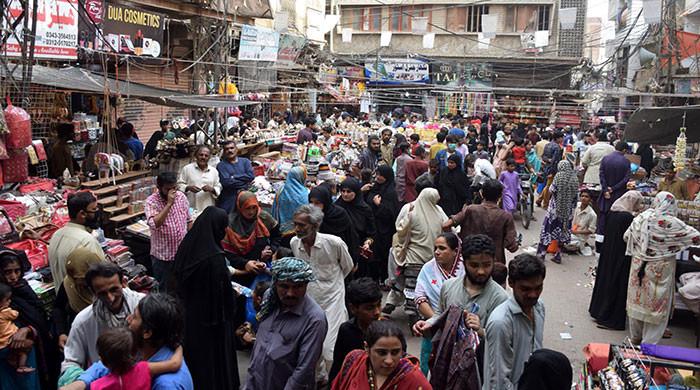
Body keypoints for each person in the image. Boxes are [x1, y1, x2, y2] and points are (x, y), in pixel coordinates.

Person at [171, 206, 247, 389]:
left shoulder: (188, 245)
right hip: (213, 323)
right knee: (214, 365)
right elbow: (223, 300)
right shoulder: (214, 258)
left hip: (190, 317)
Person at [64, 293, 194, 390]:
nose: (128, 319)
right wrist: (81, 382)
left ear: (147, 332)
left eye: (135, 317)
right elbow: (107, 366)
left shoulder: (165, 385)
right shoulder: (146, 351)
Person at [625, 192, 700, 344]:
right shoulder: (673, 223)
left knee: (637, 301)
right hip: (660, 270)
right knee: (657, 306)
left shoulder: (642, 218)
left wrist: (643, 247)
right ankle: (649, 345)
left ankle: (635, 338)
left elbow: (627, 236)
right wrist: (669, 246)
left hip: (638, 266)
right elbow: (695, 236)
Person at [290, 205, 354, 383]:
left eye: (302, 225)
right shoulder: (294, 243)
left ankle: (338, 381)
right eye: (295, 224)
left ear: (315, 225)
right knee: (311, 346)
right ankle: (320, 379)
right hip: (309, 301)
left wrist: (333, 284)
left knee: (330, 348)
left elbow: (347, 267)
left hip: (333, 299)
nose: (297, 229)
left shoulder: (334, 243)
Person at [246, 257, 328, 389]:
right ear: (275, 283)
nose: (290, 293)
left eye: (297, 287)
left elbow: (304, 370)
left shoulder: (315, 319)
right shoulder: (270, 299)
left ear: (306, 285)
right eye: (284, 286)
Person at [60, 263, 144, 381]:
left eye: (114, 290)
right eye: (102, 293)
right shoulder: (83, 321)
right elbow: (71, 363)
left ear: (123, 283)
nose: (110, 298)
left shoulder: (142, 306)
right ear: (93, 292)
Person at [483, 253, 546, 389]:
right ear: (511, 283)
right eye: (525, 289)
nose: (533, 295)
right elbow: (499, 380)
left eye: (538, 288)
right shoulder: (501, 322)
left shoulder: (539, 307)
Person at [384, 188, 449, 315]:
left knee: (408, 282)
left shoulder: (410, 211)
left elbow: (400, 229)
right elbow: (448, 227)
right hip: (433, 257)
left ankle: (397, 304)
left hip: (413, 257)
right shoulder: (439, 211)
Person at [0, 250, 57, 389]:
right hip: (9, 355)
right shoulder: (2, 296)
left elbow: (39, 313)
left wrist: (28, 329)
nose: (13, 277)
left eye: (17, 271)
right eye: (8, 272)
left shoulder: (23, 288)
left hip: (35, 348)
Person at [589, 191, 644, 330]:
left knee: (605, 281)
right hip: (621, 256)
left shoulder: (613, 212)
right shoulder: (627, 218)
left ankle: (598, 312)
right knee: (617, 285)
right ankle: (612, 318)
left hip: (608, 255)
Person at [412, 233, 465, 374]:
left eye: (442, 248)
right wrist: (438, 320)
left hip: (461, 329)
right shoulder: (428, 269)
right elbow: (419, 298)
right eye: (435, 248)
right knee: (428, 368)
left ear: (455, 251)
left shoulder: (465, 269)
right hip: (433, 326)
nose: (437, 252)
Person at [332, 320, 431, 390]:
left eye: (395, 352)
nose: (389, 360)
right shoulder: (354, 361)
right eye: (382, 353)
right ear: (367, 348)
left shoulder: (414, 380)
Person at [443, 179, 518, 264]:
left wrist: (456, 244)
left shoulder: (470, 209)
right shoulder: (506, 217)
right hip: (493, 263)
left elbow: (446, 225)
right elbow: (512, 247)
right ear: (500, 195)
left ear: (481, 193)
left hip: (469, 260)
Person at [86, 327, 182, 390]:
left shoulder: (98, 386)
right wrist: (179, 347)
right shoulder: (144, 369)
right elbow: (174, 364)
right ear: (135, 352)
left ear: (104, 361)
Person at [49, 191, 106, 292]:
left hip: (62, 298)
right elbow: (102, 276)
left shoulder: (56, 234)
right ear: (82, 214)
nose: (97, 212)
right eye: (94, 209)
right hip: (81, 302)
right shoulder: (86, 241)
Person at [329, 278, 382, 382]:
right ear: (353, 308)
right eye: (369, 308)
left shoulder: (389, 332)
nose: (377, 312)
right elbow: (338, 367)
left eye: (379, 305)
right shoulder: (346, 331)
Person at [222, 191, 280, 287]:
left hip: (262, 267)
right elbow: (229, 252)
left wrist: (271, 250)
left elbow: (277, 236)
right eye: (247, 208)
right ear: (240, 208)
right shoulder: (230, 223)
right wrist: (246, 263)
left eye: (254, 207)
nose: (251, 212)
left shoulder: (264, 218)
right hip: (239, 270)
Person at [52, 248, 103, 354]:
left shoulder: (108, 284)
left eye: (82, 278)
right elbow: (58, 307)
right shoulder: (69, 285)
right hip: (83, 339)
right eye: (75, 278)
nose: (78, 282)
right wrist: (61, 333)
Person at [145, 172, 191, 289]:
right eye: (168, 189)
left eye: (174, 188)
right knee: (164, 288)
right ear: (159, 188)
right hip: (163, 257)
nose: (172, 192)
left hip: (181, 254)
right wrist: (169, 204)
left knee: (180, 287)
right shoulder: (151, 201)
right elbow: (155, 223)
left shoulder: (181, 197)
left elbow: (188, 220)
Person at [537, 161, 579, 264]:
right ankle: (558, 255)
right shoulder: (574, 178)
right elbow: (576, 196)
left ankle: (541, 254)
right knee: (562, 231)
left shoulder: (558, 176)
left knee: (547, 230)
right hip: (567, 212)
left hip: (555, 210)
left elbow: (552, 190)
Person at [365, 165, 401, 284]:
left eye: (381, 175)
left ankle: (384, 279)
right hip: (373, 227)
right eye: (377, 174)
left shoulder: (391, 193)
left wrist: (379, 205)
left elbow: (391, 214)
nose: (378, 177)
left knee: (383, 254)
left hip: (385, 230)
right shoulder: (374, 188)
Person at [335, 178, 376, 277]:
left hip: (357, 252)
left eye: (349, 192)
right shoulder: (336, 208)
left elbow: (371, 231)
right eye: (343, 191)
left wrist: (368, 242)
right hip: (339, 251)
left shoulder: (365, 209)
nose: (345, 194)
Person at [309, 186, 356, 255]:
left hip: (339, 256)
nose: (313, 206)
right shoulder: (310, 216)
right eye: (311, 202)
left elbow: (350, 238)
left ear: (325, 202)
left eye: (317, 203)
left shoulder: (339, 215)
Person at [598, 141, 632, 238]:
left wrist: (605, 189)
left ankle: (599, 242)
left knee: (603, 217)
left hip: (606, 195)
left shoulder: (605, 159)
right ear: (624, 150)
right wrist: (613, 188)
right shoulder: (626, 162)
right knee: (614, 217)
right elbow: (626, 179)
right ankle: (611, 238)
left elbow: (601, 175)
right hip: (618, 194)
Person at [0, 282, 34, 373]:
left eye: (17, 271)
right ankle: (21, 366)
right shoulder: (6, 312)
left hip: (4, 344)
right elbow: (16, 314)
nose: (13, 277)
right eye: (7, 300)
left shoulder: (24, 291)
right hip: (10, 341)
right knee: (28, 345)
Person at [177, 145, 221, 211]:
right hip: (191, 206)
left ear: (209, 157)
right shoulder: (187, 169)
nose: (203, 157)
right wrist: (188, 187)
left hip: (208, 207)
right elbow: (179, 185)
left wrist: (212, 189)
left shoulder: (213, 171)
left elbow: (218, 186)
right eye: (201, 155)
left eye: (206, 155)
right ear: (196, 156)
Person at [216, 141, 255, 213]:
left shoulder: (245, 161)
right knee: (229, 220)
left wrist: (234, 176)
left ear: (236, 149)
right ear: (224, 152)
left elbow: (251, 176)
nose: (229, 150)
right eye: (227, 149)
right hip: (229, 199)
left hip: (244, 197)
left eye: (232, 148)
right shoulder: (221, 165)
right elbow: (226, 183)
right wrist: (245, 183)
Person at [272, 166, 309, 239]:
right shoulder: (306, 193)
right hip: (301, 233)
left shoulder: (281, 190)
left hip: (282, 232)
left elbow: (275, 209)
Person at [566, 189, 598, 256]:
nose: (583, 198)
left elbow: (591, 231)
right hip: (571, 233)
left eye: (586, 197)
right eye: (582, 196)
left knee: (569, 243)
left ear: (590, 199)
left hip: (579, 238)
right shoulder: (576, 206)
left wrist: (576, 232)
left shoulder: (592, 214)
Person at [538, 131, 563, 208]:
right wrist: (553, 171)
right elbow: (555, 161)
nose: (562, 139)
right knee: (549, 186)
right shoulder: (557, 147)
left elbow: (543, 157)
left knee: (548, 185)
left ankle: (539, 199)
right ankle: (545, 204)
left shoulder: (547, 145)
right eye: (562, 138)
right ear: (558, 138)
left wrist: (548, 161)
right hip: (552, 169)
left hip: (546, 167)